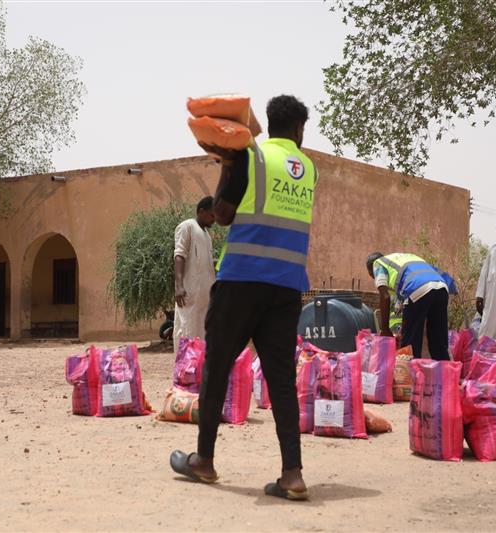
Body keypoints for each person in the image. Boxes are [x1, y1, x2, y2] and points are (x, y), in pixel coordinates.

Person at [170, 95, 315, 501]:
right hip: (287, 287)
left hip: (242, 281)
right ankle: (292, 473)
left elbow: (224, 214)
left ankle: (204, 460)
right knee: (281, 380)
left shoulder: (250, 155)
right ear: (300, 130)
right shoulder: (310, 170)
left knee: (216, 368)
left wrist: (228, 164)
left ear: (268, 124)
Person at [366, 252, 456, 359]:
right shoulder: (408, 258)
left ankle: (410, 374)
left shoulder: (378, 263)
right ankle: (444, 373)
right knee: (438, 343)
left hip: (416, 288)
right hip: (442, 288)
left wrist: (385, 329)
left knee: (410, 346)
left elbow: (385, 296)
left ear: (371, 270)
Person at [172, 196, 216, 354]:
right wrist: (179, 286)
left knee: (201, 340)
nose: (214, 219)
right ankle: (184, 375)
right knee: (187, 335)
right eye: (212, 215)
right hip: (189, 295)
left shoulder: (206, 235)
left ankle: (197, 374)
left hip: (204, 299)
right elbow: (179, 256)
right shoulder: (187, 226)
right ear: (201, 211)